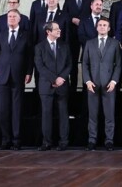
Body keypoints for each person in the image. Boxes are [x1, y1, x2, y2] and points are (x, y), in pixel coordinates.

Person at [0, 9, 33, 150]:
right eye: (9, 16)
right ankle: (5, 139)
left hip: (19, 75)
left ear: (19, 19)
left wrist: (29, 72)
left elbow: (29, 56)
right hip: (3, 75)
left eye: (14, 16)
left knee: (17, 109)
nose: (11, 18)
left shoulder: (26, 35)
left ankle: (16, 139)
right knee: (3, 109)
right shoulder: (1, 34)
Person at [82, 17, 121, 151]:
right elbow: (85, 64)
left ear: (109, 28)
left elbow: (118, 65)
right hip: (92, 84)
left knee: (109, 115)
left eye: (105, 25)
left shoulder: (115, 43)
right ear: (97, 27)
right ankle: (92, 140)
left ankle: (109, 140)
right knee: (93, 115)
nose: (102, 27)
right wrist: (87, 81)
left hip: (109, 84)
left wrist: (114, 81)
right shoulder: (89, 43)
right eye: (100, 25)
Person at [35, 21, 71, 151]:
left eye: (59, 28)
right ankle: (46, 142)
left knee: (63, 114)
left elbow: (69, 64)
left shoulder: (65, 46)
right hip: (46, 86)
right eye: (56, 29)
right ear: (48, 32)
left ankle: (63, 142)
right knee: (46, 114)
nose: (59, 31)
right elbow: (40, 67)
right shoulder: (39, 47)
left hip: (62, 85)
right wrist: (54, 78)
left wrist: (61, 78)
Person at [63, 0, 94, 91]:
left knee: (88, 61)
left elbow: (93, 16)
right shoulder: (68, 1)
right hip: (72, 35)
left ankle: (88, 86)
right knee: (73, 61)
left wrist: (83, 22)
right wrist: (72, 19)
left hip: (86, 35)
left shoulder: (90, 0)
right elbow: (64, 16)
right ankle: (73, 88)